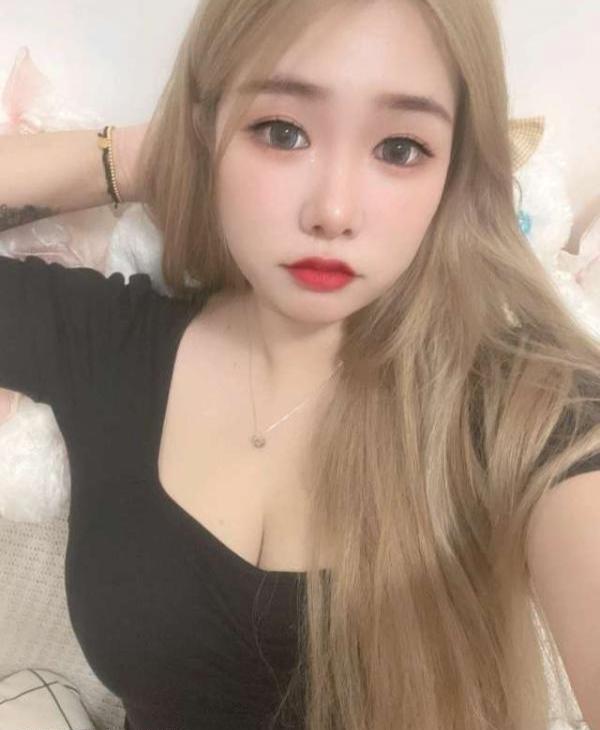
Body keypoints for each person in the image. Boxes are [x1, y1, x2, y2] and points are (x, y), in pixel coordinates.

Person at [1, 1, 600, 729]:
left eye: (401, 147)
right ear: (209, 130)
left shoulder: (526, 407)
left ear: (454, 174)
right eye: (282, 131)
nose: (334, 211)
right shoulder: (109, 341)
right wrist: (143, 156)